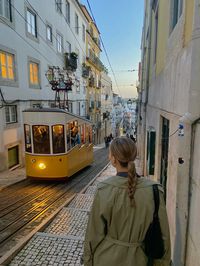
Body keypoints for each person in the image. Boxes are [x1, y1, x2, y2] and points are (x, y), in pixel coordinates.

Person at [83, 136, 171, 266]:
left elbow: (93, 234)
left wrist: (88, 262)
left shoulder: (104, 190)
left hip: (105, 259)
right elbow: (164, 236)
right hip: (140, 260)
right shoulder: (155, 191)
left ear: (113, 159)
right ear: (134, 156)